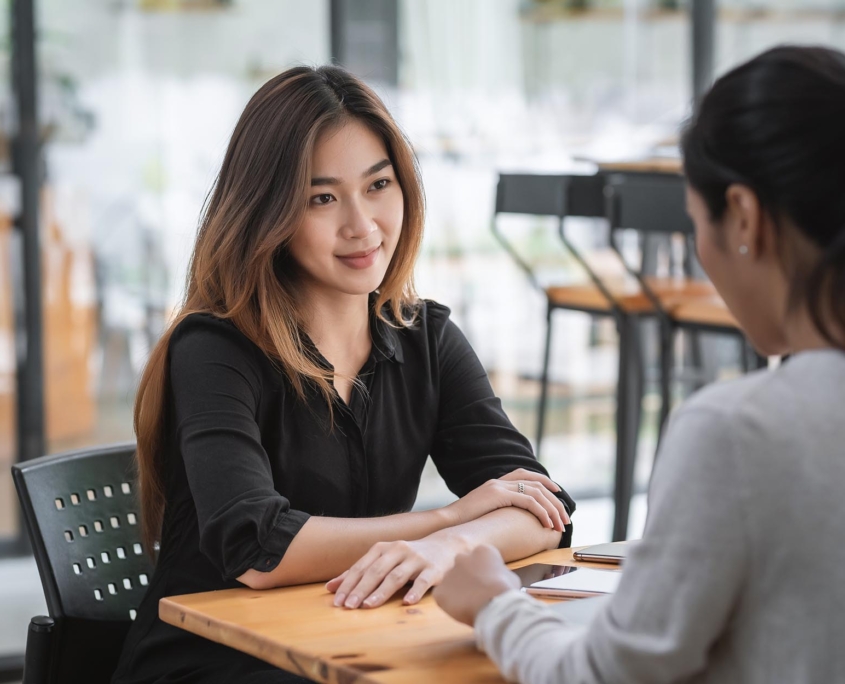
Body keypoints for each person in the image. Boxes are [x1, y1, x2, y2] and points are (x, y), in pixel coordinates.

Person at [112, 65, 575, 684]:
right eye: (322, 198)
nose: (362, 225)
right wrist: (445, 519)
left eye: (378, 185)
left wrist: (451, 547)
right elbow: (258, 550)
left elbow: (543, 509)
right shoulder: (215, 348)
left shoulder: (427, 339)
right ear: (268, 214)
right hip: (213, 659)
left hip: (347, 640)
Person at [434, 45, 845, 683]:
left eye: (693, 224)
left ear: (743, 216)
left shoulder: (739, 432)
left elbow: (604, 676)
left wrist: (495, 606)